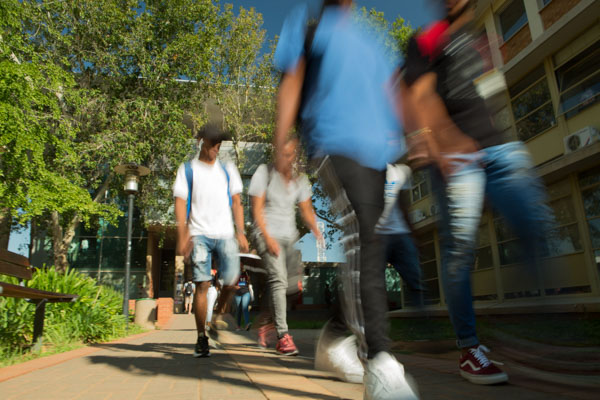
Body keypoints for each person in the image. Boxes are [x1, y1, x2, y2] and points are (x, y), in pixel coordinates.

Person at [400, 0, 553, 385]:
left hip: (497, 148)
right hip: (455, 156)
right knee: (460, 250)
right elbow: (416, 97)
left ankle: (536, 332)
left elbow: (487, 89)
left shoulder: (476, 38)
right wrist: (439, 146)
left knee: (534, 222)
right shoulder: (426, 38)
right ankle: (469, 348)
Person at [273, 1, 418, 398]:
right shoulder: (310, 26)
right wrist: (281, 137)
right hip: (335, 144)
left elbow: (391, 96)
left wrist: (411, 144)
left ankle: (335, 339)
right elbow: (293, 78)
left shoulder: (374, 40)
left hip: (380, 157)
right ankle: (380, 362)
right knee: (365, 237)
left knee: (375, 249)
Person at [173, 123, 249, 358]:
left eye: (220, 144)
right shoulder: (187, 170)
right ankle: (201, 338)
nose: (217, 147)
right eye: (213, 143)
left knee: (232, 281)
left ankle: (216, 319)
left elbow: (236, 202)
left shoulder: (228, 170)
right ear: (201, 142)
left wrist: (241, 231)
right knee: (202, 285)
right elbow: (180, 202)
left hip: (225, 233)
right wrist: (183, 234)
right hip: (200, 235)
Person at [249, 137, 322, 356]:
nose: (287, 158)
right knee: (279, 281)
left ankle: (266, 323)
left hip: (289, 237)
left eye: (291, 154)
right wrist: (268, 237)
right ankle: (283, 336)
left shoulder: (300, 180)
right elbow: (256, 208)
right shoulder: (264, 172)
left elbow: (306, 209)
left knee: (292, 288)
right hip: (266, 233)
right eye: (283, 154)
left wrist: (316, 228)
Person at [375, 164, 424, 309]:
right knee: (374, 284)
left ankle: (424, 322)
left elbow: (404, 204)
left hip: (400, 233)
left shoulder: (400, 171)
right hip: (377, 236)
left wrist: (413, 234)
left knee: (416, 280)